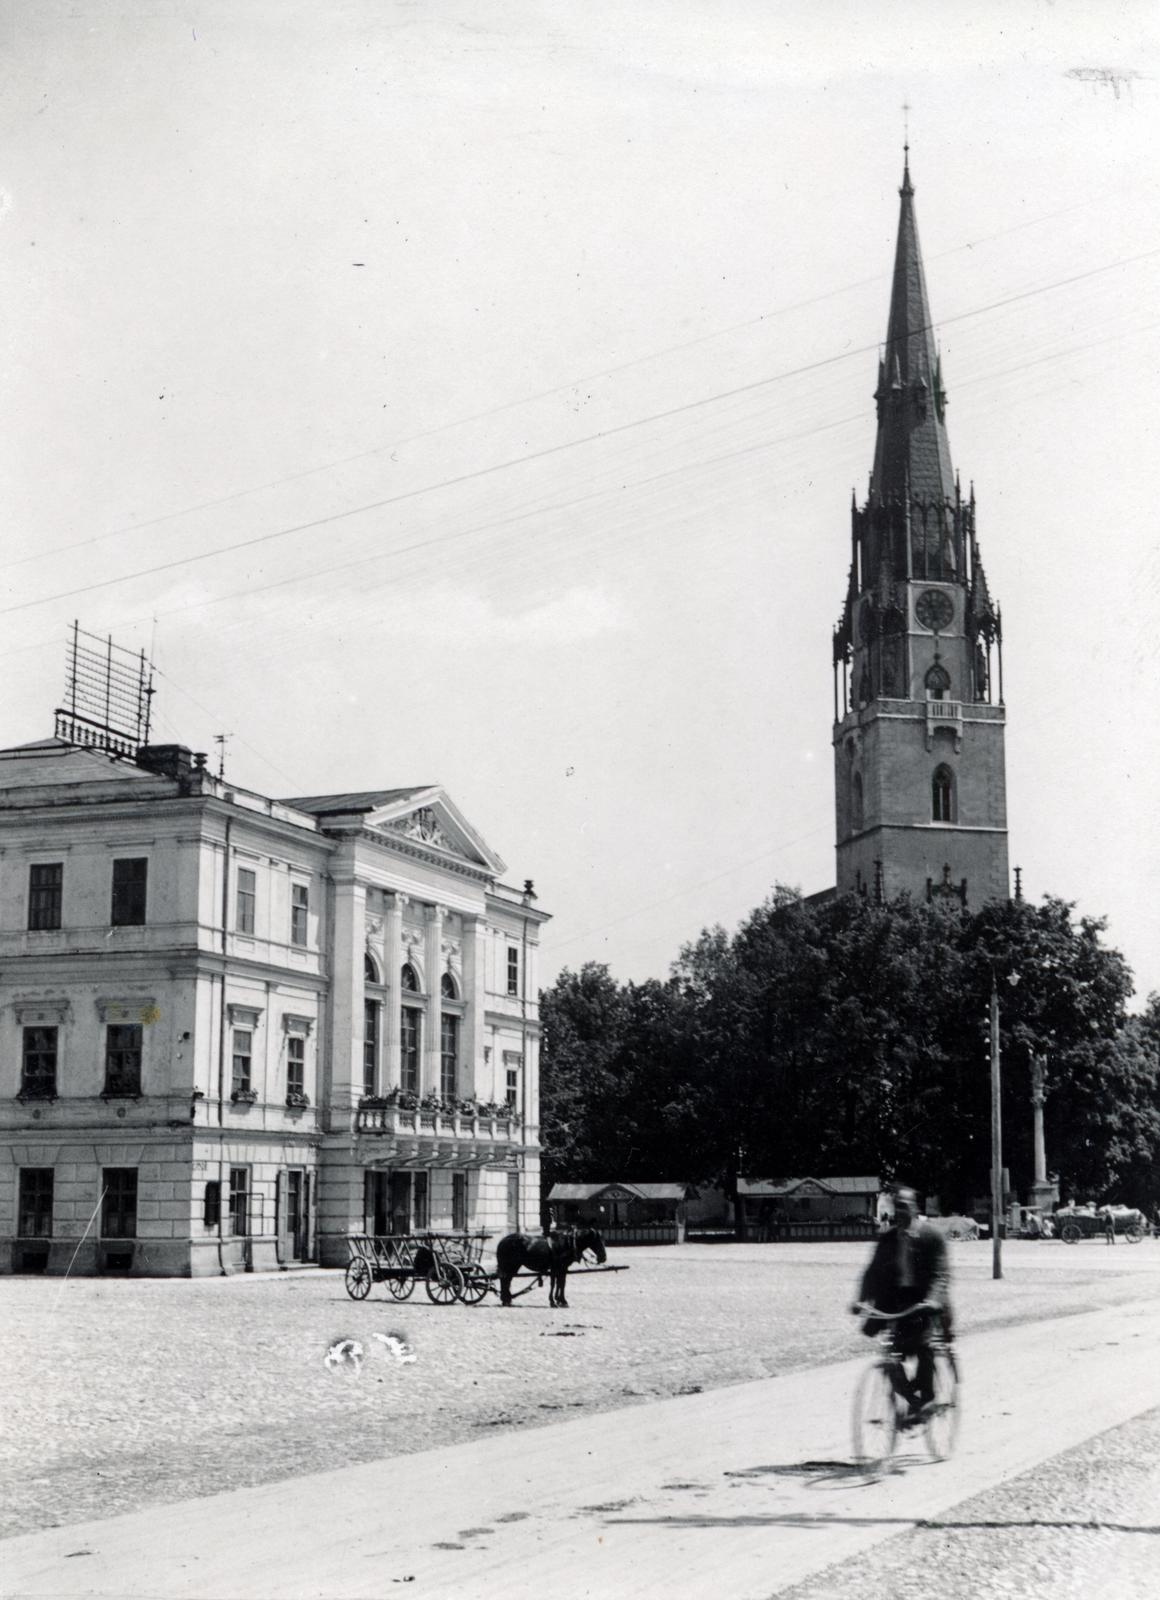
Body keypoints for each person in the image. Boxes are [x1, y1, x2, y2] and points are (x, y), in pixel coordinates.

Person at [851, 1186, 952, 1424]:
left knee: (923, 1346)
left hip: (924, 1303)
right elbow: (872, 1272)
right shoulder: (887, 1239)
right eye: (897, 1207)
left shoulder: (931, 1237)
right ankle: (911, 1400)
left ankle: (926, 1398)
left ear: (915, 1209)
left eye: (905, 1207)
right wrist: (861, 1300)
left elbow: (941, 1273)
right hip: (894, 1302)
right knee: (890, 1358)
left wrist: (933, 1300)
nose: (901, 1212)